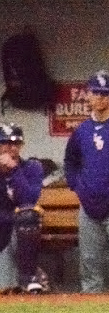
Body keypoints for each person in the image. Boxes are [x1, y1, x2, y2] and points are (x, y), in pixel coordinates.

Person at [62, 71, 109, 293]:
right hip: (88, 202)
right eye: (96, 93)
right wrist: (76, 185)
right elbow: (70, 161)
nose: (100, 98)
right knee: (89, 262)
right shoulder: (82, 131)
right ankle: (91, 312)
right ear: (89, 95)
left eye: (105, 94)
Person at [0, 122, 48, 294]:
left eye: (15, 144)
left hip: (17, 227)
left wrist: (14, 171)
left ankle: (29, 277)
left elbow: (28, 200)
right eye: (5, 143)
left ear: (21, 145)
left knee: (28, 215)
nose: (10, 148)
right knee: (5, 288)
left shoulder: (32, 167)